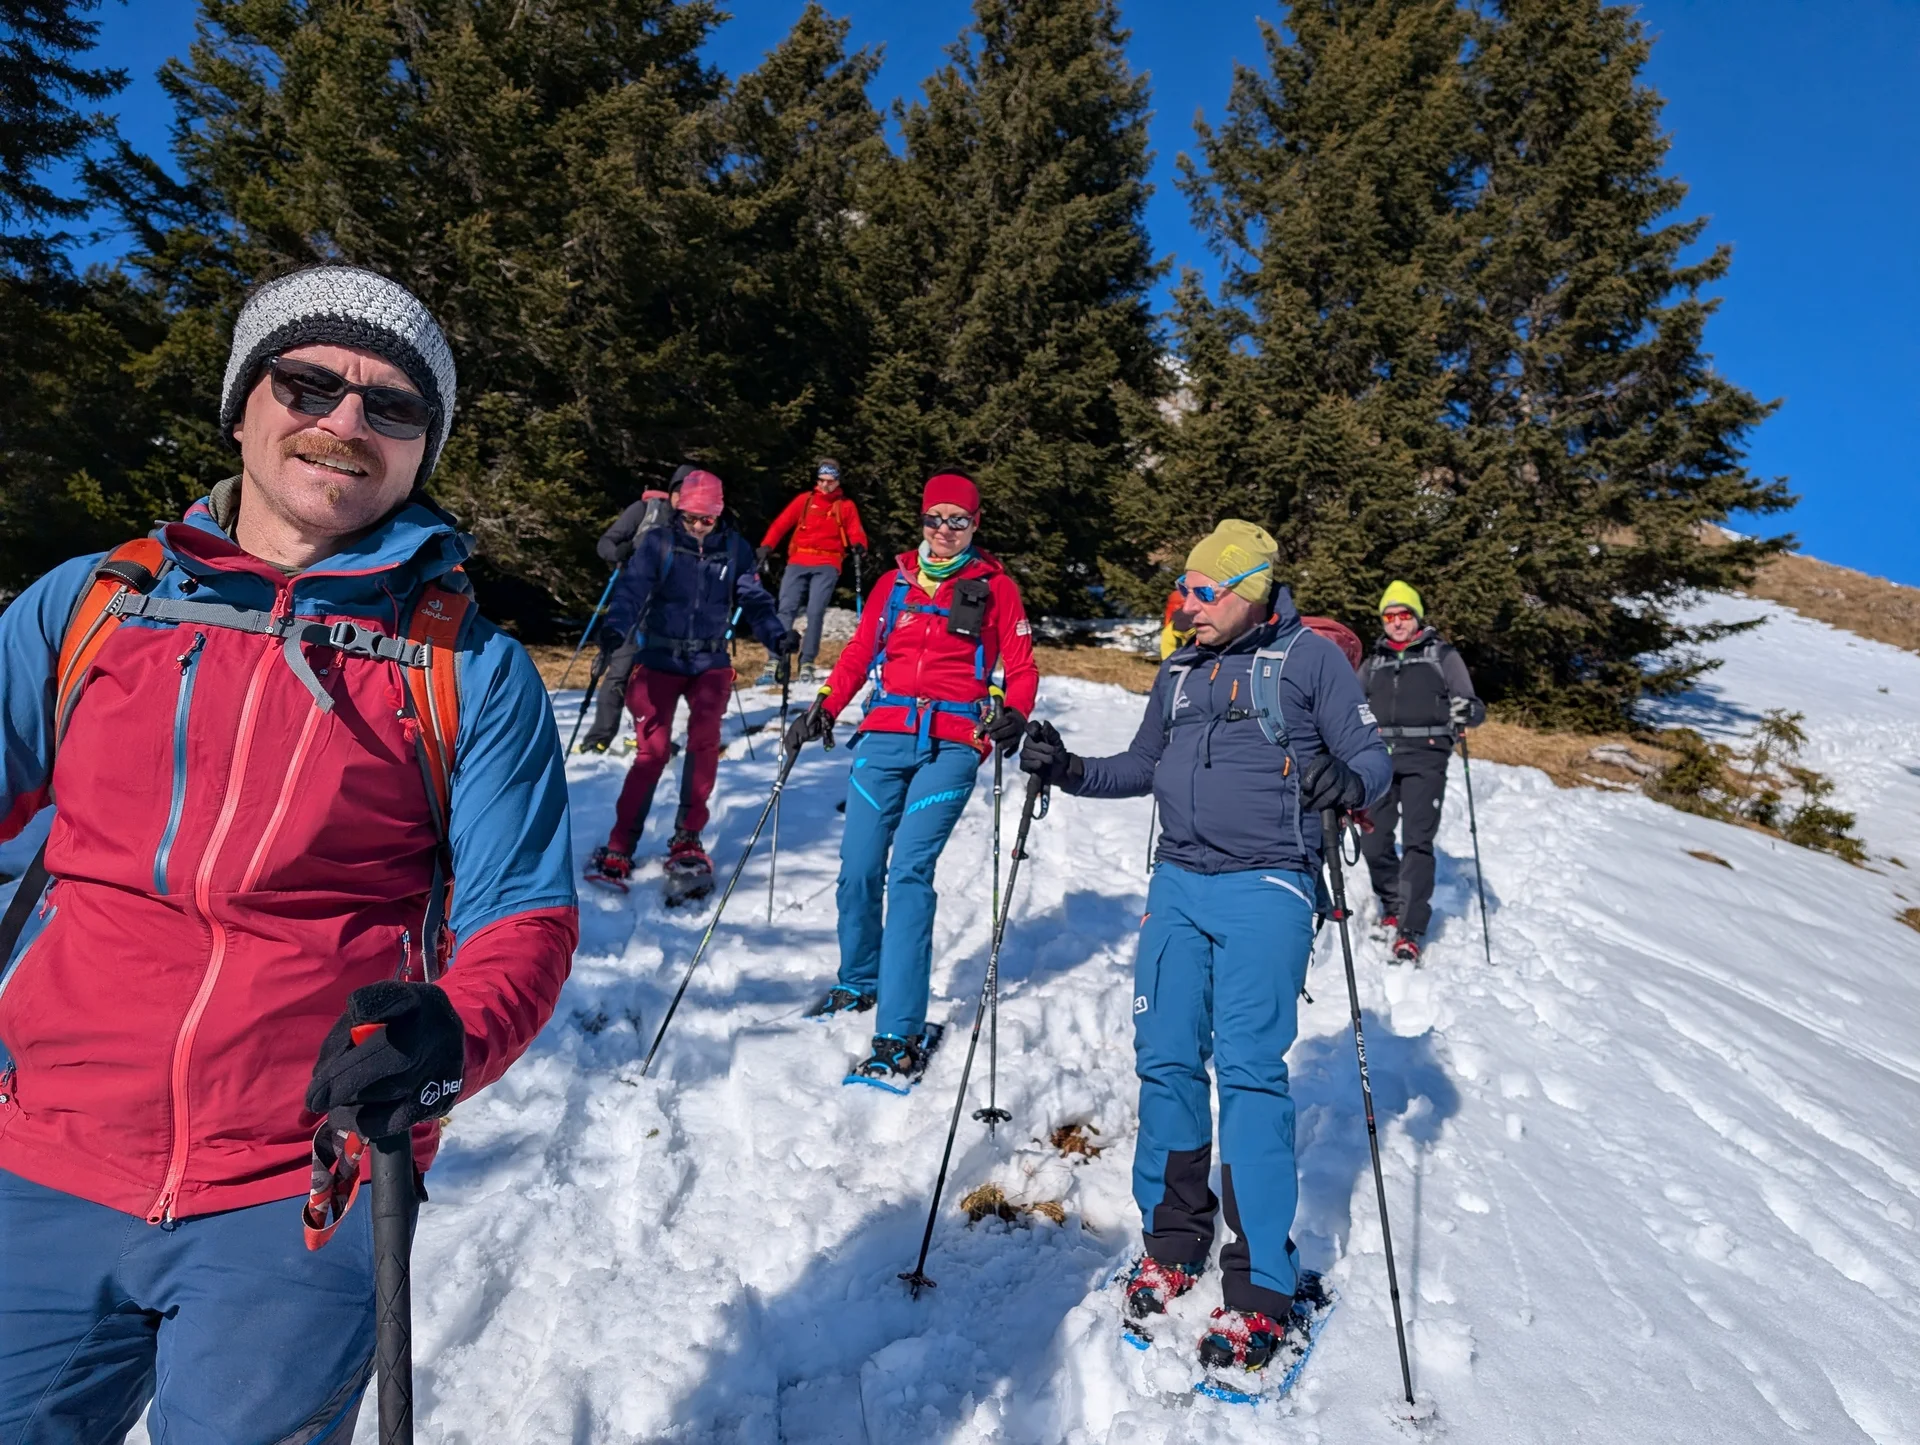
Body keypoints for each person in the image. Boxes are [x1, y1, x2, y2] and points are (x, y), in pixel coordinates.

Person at [0, 265, 577, 1441]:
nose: (344, 423)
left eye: (392, 407)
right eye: (308, 381)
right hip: (38, 1157)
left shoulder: (467, 666)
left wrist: (443, 1038)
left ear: (423, 448)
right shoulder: (94, 604)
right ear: (243, 401)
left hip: (302, 1186)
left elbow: (524, 915)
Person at [1018, 520, 1390, 1376]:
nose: (1186, 605)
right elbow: (1141, 764)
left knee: (1251, 1069)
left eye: (1203, 590)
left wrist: (1347, 779)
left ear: (1251, 586)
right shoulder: (1179, 670)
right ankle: (1173, 1240)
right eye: (1184, 589)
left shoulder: (1307, 661)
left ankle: (1262, 1286)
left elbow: (1373, 758)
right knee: (1167, 1060)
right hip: (1177, 885)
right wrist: (1067, 765)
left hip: (1269, 886)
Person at [784, 473, 1035, 1087]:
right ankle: (858, 980)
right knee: (859, 866)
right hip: (884, 736)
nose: (944, 531)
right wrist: (825, 704)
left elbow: (1021, 666)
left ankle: (898, 1031)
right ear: (921, 522)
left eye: (958, 521)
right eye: (934, 519)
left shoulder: (996, 588)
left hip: (952, 745)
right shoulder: (895, 584)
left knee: (910, 873)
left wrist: (1014, 714)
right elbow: (858, 654)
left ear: (975, 526)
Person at [587, 469, 798, 889]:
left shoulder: (732, 548)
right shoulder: (659, 543)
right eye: (692, 518)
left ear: (719, 516)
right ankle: (620, 844)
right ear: (679, 511)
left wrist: (776, 634)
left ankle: (688, 837)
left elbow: (753, 598)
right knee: (653, 752)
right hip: (659, 658)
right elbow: (631, 591)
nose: (700, 527)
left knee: (704, 745)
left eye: (708, 519)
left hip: (709, 662)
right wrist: (615, 630)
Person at [1355, 580, 1485, 965]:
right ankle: (1393, 902)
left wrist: (1468, 713)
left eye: (1403, 614)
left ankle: (1410, 930)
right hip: (1379, 757)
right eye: (1389, 616)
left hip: (1426, 757)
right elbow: (1350, 702)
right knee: (1373, 841)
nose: (1396, 622)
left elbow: (1473, 705)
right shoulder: (1373, 660)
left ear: (1416, 617)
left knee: (1417, 841)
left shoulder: (1441, 655)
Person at [576, 464, 691, 753]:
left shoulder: (696, 525)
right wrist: (620, 552)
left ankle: (647, 733)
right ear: (672, 491)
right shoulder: (646, 511)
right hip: (633, 602)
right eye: (680, 491)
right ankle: (599, 738)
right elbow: (606, 543)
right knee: (620, 670)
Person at [755, 458, 868, 687]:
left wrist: (859, 545)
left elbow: (856, 531)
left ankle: (807, 661)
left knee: (815, 611)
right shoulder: (805, 501)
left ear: (837, 481)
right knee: (786, 608)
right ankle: (776, 659)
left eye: (830, 481)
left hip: (828, 562)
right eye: (822, 480)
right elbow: (782, 524)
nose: (825, 486)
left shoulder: (845, 506)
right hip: (799, 560)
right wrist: (767, 546)